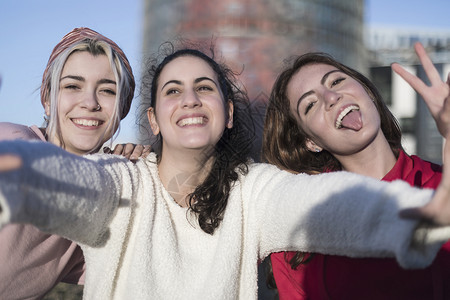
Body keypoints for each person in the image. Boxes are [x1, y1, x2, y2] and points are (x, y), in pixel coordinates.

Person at [0, 44, 450, 300]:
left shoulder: (253, 192)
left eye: (205, 88)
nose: (191, 99)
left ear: (228, 113)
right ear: (154, 119)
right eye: (173, 91)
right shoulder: (121, 178)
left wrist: (423, 214)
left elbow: (324, 205)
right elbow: (67, 180)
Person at [263, 42, 450, 299]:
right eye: (310, 104)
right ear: (311, 142)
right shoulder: (297, 232)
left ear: (367, 92)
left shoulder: (442, 182)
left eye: (336, 82)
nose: (331, 97)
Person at [0, 27, 142, 299]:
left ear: (122, 109)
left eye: (108, 91)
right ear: (47, 100)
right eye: (72, 86)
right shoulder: (11, 140)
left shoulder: (99, 204)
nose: (89, 102)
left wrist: (145, 167)